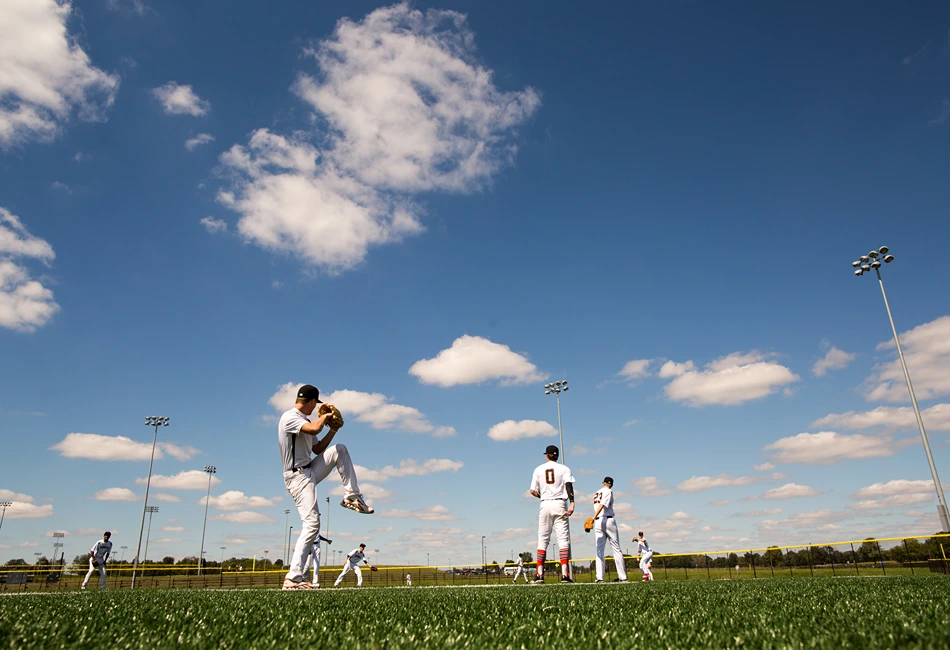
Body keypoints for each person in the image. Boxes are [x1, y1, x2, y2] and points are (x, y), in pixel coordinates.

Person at [278, 384, 373, 590]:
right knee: (312, 524)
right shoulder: (289, 417)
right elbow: (314, 428)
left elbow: (318, 448)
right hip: (297, 477)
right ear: (312, 401)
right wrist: (326, 417)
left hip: (309, 469)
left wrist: (333, 429)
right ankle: (293, 577)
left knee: (339, 449)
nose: (316, 408)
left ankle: (351, 496)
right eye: (316, 404)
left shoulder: (305, 421)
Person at [529, 444, 575, 582]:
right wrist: (572, 502)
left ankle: (539, 575)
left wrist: (542, 496)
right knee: (563, 539)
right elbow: (568, 485)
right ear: (557, 456)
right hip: (560, 503)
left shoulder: (538, 469)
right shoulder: (564, 468)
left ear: (547, 455)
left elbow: (532, 491)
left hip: (545, 503)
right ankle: (565, 575)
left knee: (543, 539)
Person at [591, 477, 628, 583]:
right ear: (611, 484)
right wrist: (593, 517)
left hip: (598, 522)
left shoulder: (596, 493)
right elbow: (602, 504)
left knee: (599, 550)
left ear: (603, 483)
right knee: (616, 548)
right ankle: (622, 576)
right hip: (607, 520)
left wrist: (594, 518)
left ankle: (599, 577)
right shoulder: (608, 491)